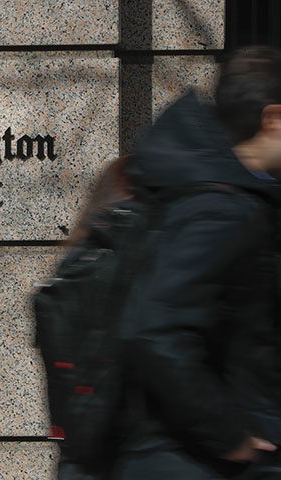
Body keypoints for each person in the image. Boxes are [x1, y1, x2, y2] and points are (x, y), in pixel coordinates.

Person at [113, 46, 281, 479]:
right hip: (193, 462)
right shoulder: (220, 208)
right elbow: (154, 327)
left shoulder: (229, 194)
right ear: (273, 120)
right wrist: (231, 437)